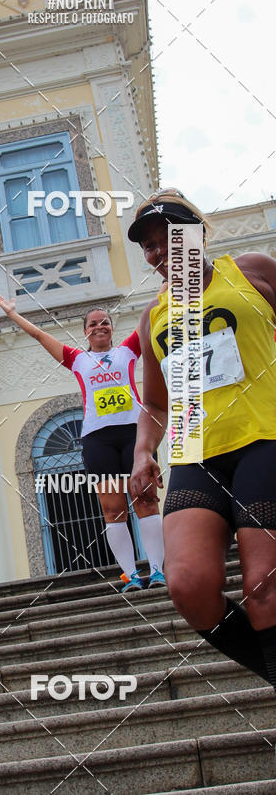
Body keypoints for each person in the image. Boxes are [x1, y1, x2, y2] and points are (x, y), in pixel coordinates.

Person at [129, 188, 276, 689]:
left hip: (263, 438)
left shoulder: (252, 271)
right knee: (188, 585)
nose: (159, 251)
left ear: (196, 233)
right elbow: (155, 402)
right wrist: (142, 452)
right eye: (149, 245)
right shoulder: (153, 316)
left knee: (263, 586)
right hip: (195, 453)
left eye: (169, 237)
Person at [0, 293, 165, 592]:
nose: (100, 327)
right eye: (93, 324)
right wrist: (11, 314)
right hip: (98, 439)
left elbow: (151, 315)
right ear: (85, 331)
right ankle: (131, 575)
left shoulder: (128, 350)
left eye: (105, 322)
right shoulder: (77, 360)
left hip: (135, 435)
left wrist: (166, 286)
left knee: (146, 501)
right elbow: (39, 335)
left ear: (112, 328)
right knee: (113, 510)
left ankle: (159, 570)